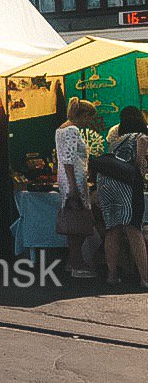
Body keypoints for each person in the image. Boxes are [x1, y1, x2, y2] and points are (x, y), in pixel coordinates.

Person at [97, 106, 148, 287]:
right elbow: (138, 164)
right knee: (134, 229)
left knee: (112, 228)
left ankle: (111, 275)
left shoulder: (116, 141)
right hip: (126, 187)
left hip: (105, 185)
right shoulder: (141, 138)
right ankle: (144, 278)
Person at [55, 98, 98, 278]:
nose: (90, 122)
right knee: (79, 222)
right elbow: (69, 158)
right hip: (75, 180)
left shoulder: (61, 129)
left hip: (66, 179)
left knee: (73, 221)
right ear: (84, 115)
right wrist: (74, 185)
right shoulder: (72, 130)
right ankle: (77, 263)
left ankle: (73, 260)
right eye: (90, 117)